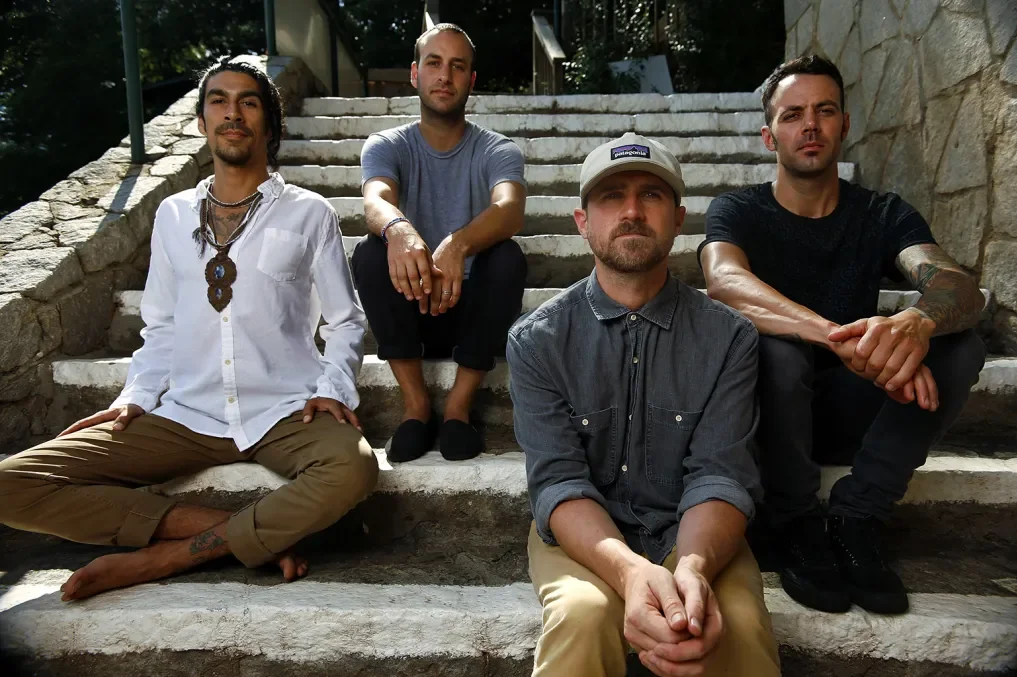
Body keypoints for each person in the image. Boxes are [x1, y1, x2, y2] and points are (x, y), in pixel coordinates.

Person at [0, 60, 378, 601]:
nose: (232, 112)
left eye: (248, 102)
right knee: (11, 483)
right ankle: (218, 531)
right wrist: (136, 396)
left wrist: (331, 389)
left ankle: (167, 556)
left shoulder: (308, 212)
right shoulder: (173, 214)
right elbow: (162, 327)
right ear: (201, 122)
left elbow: (345, 321)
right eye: (219, 101)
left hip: (284, 409)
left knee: (355, 469)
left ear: (269, 124)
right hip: (186, 412)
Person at [699, 55, 987, 615]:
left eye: (824, 111)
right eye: (793, 114)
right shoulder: (738, 211)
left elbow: (958, 286)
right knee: (774, 348)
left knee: (962, 342)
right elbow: (724, 282)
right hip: (769, 418)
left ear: (844, 126)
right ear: (769, 136)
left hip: (859, 410)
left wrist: (916, 324)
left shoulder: (881, 213)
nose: (810, 125)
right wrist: (838, 338)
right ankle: (794, 520)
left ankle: (857, 515)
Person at [508, 133, 781, 677]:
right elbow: (559, 481)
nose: (631, 211)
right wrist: (632, 573)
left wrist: (694, 571)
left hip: (694, 532)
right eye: (611, 197)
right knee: (581, 616)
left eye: (651, 195)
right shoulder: (536, 341)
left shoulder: (729, 338)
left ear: (679, 218)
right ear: (582, 222)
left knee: (738, 625)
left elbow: (720, 475)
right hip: (584, 537)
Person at [352, 23, 527, 463]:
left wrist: (458, 244)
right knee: (370, 251)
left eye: (457, 66)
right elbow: (375, 199)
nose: (444, 76)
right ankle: (415, 407)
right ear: (415, 74)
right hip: (410, 298)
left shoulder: (497, 149)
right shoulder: (387, 144)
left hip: (471, 312)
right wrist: (400, 230)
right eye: (434, 63)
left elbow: (510, 209)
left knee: (507, 257)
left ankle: (457, 408)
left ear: (471, 79)